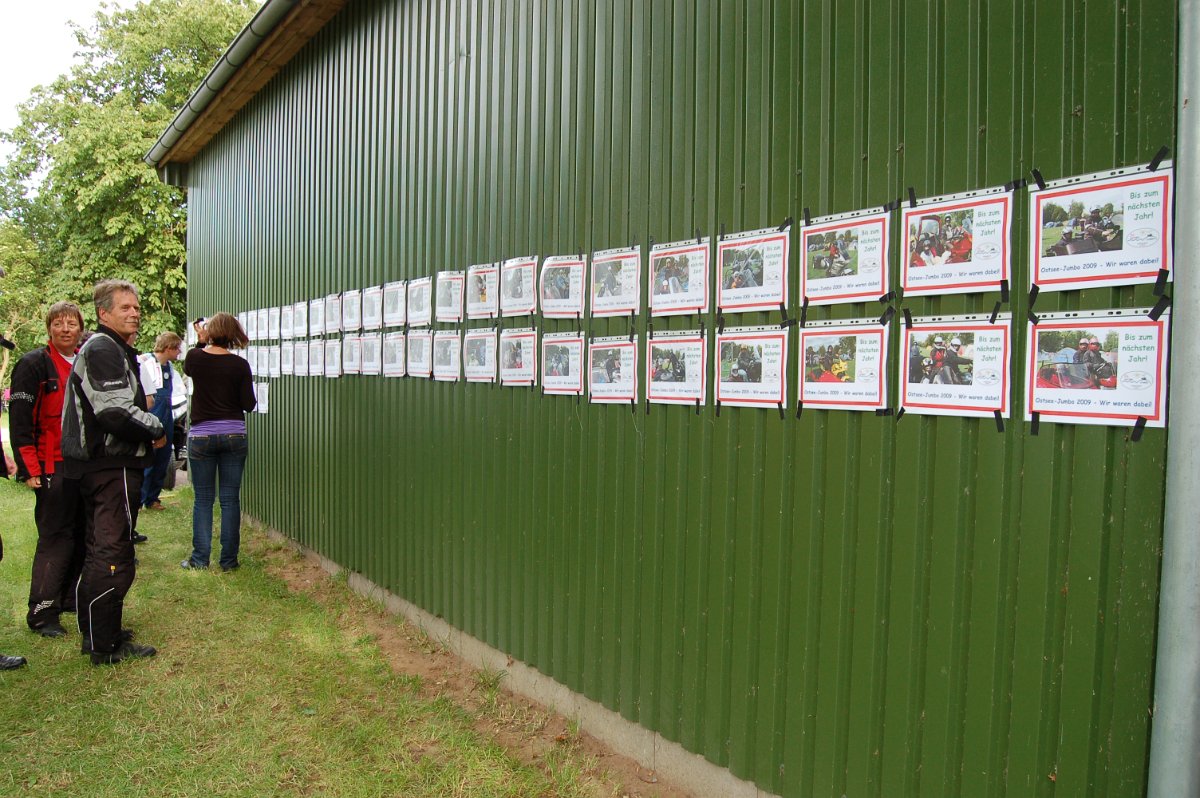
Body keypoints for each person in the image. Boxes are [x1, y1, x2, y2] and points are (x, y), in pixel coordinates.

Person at [61, 280, 165, 665]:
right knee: (113, 553)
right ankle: (104, 644)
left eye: (135, 307)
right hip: (110, 466)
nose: (134, 312)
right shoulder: (104, 348)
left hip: (101, 466)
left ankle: (99, 631)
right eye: (124, 307)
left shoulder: (109, 347)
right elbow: (115, 411)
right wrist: (156, 428)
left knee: (98, 550)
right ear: (104, 314)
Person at [9, 301, 87, 638]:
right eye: (59, 324)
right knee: (55, 539)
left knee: (83, 535)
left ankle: (70, 597)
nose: (66, 330)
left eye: (72, 324)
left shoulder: (86, 362)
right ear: (49, 328)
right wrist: (30, 468)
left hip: (83, 465)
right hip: (51, 465)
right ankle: (42, 612)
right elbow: (20, 421)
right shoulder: (33, 364)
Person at [182, 312, 256, 572]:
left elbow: (187, 369)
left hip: (201, 435)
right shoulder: (239, 365)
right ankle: (228, 561)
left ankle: (200, 559)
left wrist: (201, 342)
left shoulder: (196, 358)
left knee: (203, 499)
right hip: (234, 435)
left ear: (209, 332)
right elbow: (249, 404)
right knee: (229, 499)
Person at [138, 332, 184, 515]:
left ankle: (153, 498)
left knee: (163, 458)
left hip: (167, 416)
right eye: (177, 348)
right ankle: (140, 499)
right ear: (168, 348)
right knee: (149, 457)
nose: (179, 352)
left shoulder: (171, 367)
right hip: (152, 414)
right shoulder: (146, 362)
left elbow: (178, 391)